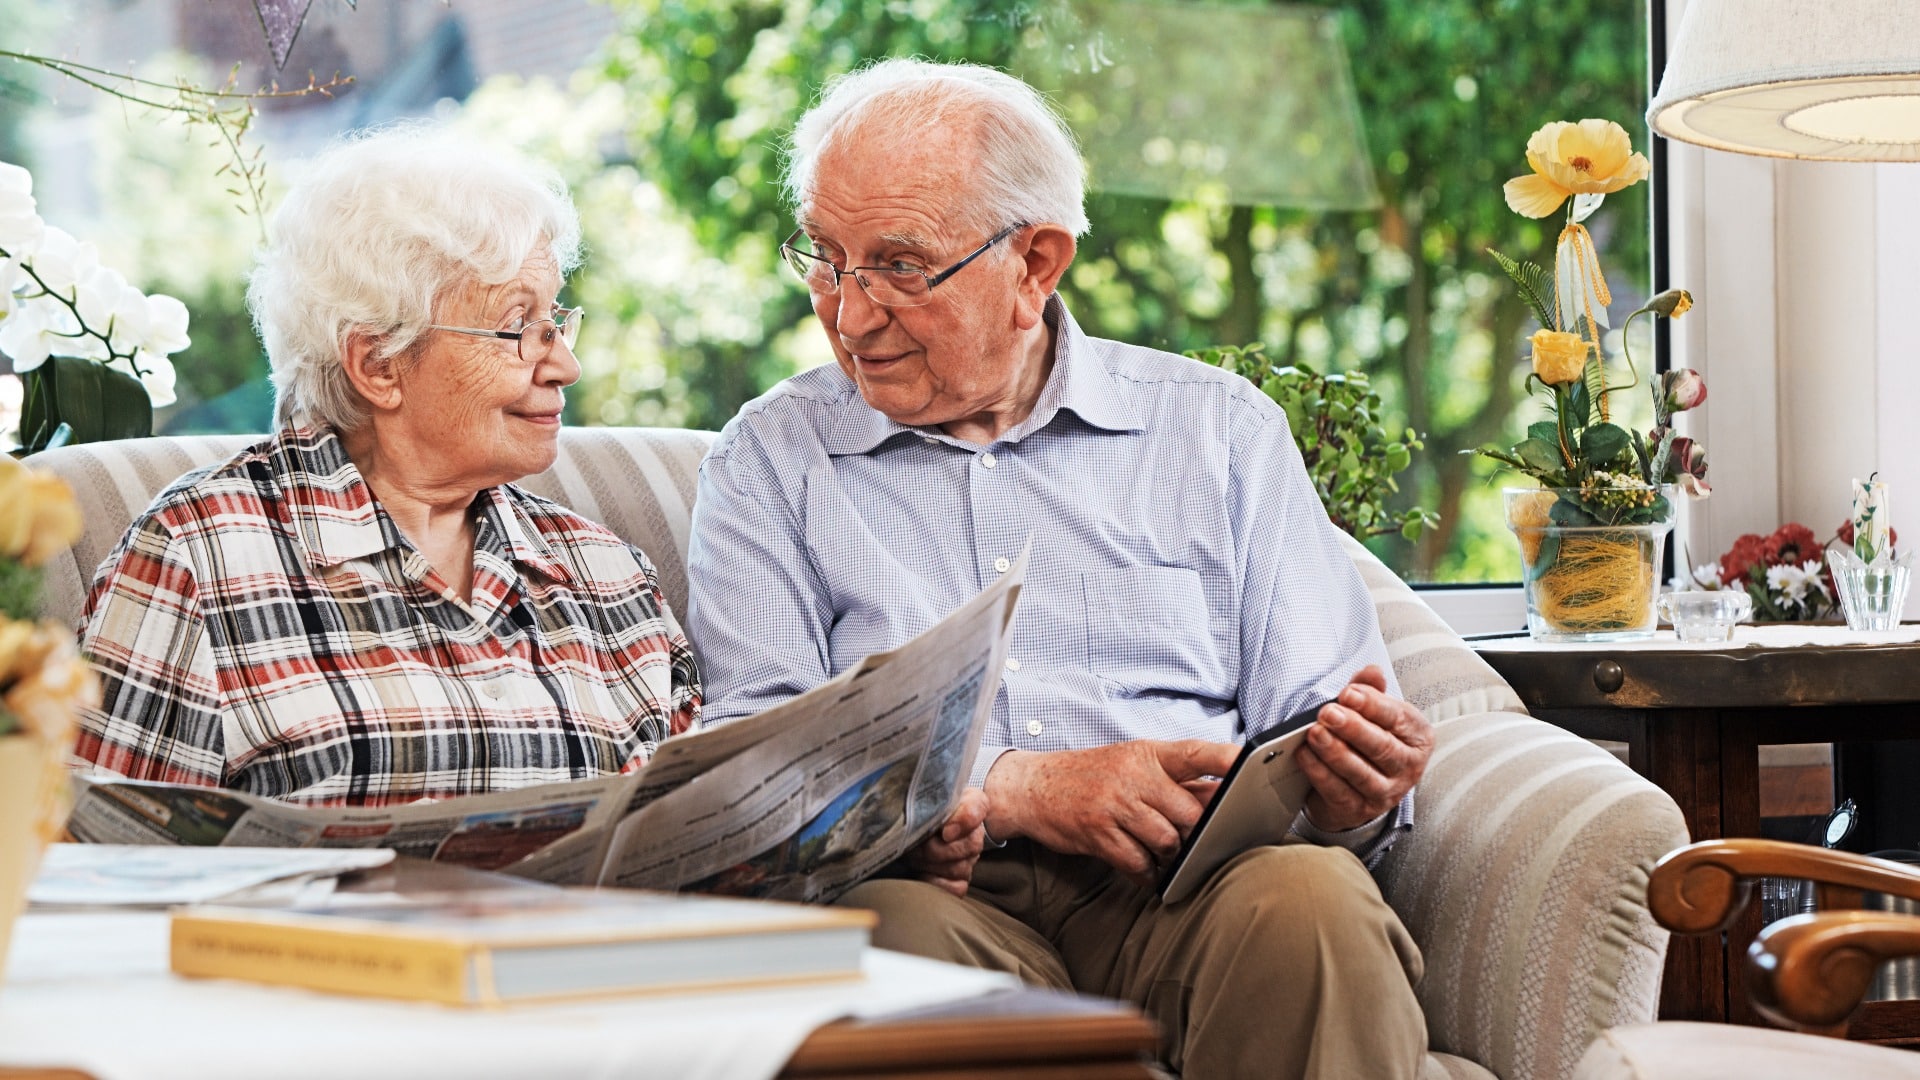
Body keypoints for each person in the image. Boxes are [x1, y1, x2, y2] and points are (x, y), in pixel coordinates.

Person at [685, 59, 1434, 1079]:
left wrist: (1354, 792)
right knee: (877, 936)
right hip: (942, 903)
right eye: (826, 258)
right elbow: (752, 770)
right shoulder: (770, 462)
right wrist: (1008, 785)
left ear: (1036, 263)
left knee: (1314, 902)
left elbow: (1321, 726)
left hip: (1190, 894)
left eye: (900, 266)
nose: (851, 316)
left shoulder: (1217, 435)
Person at [73, 126, 701, 806]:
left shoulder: (609, 577)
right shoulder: (195, 560)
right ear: (378, 365)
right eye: (518, 325)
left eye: (556, 320)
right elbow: (97, 865)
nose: (565, 365)